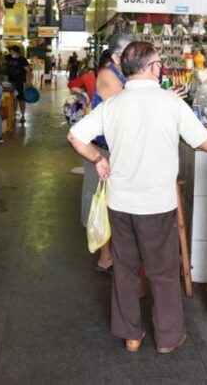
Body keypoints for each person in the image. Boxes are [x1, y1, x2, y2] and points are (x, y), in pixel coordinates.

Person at [67, 41, 207, 353]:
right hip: (157, 205)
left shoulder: (112, 105)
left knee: (124, 269)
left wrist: (98, 158)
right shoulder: (171, 104)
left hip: (120, 203)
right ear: (153, 68)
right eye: (159, 63)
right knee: (163, 272)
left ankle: (131, 336)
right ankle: (166, 338)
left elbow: (75, 136)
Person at [81, 33, 133, 274]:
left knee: (115, 203)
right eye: (129, 52)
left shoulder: (127, 74)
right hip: (102, 151)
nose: (135, 56)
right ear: (116, 56)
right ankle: (105, 257)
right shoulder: (108, 75)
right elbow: (124, 110)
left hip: (118, 148)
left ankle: (113, 256)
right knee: (102, 203)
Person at [6, 45, 32, 124]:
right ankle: (13, 114)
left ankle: (23, 115)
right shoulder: (9, 58)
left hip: (20, 82)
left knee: (21, 99)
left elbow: (28, 71)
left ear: (15, 52)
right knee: (13, 99)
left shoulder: (22, 60)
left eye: (11, 51)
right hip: (11, 82)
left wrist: (28, 81)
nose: (10, 53)